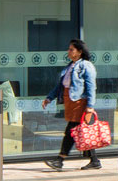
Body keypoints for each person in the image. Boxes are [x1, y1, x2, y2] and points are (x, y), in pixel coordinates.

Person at [40, 39, 98, 171]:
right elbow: (60, 86)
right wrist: (49, 98)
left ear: (80, 52)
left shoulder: (86, 65)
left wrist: (90, 106)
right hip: (70, 102)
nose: (69, 51)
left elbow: (91, 87)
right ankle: (94, 160)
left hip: (79, 102)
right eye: (69, 49)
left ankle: (60, 160)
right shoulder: (70, 66)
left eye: (71, 49)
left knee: (71, 131)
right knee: (81, 131)